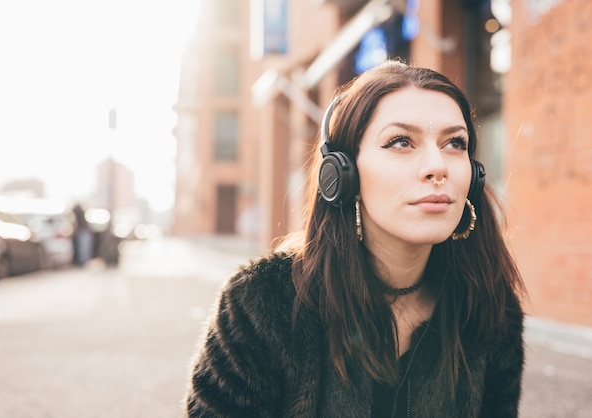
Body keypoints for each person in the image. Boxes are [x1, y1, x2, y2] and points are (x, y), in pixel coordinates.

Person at [184, 60, 526, 417]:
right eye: (400, 142)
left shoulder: (490, 309)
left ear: (474, 178)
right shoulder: (260, 304)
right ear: (342, 173)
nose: (438, 166)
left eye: (455, 143)